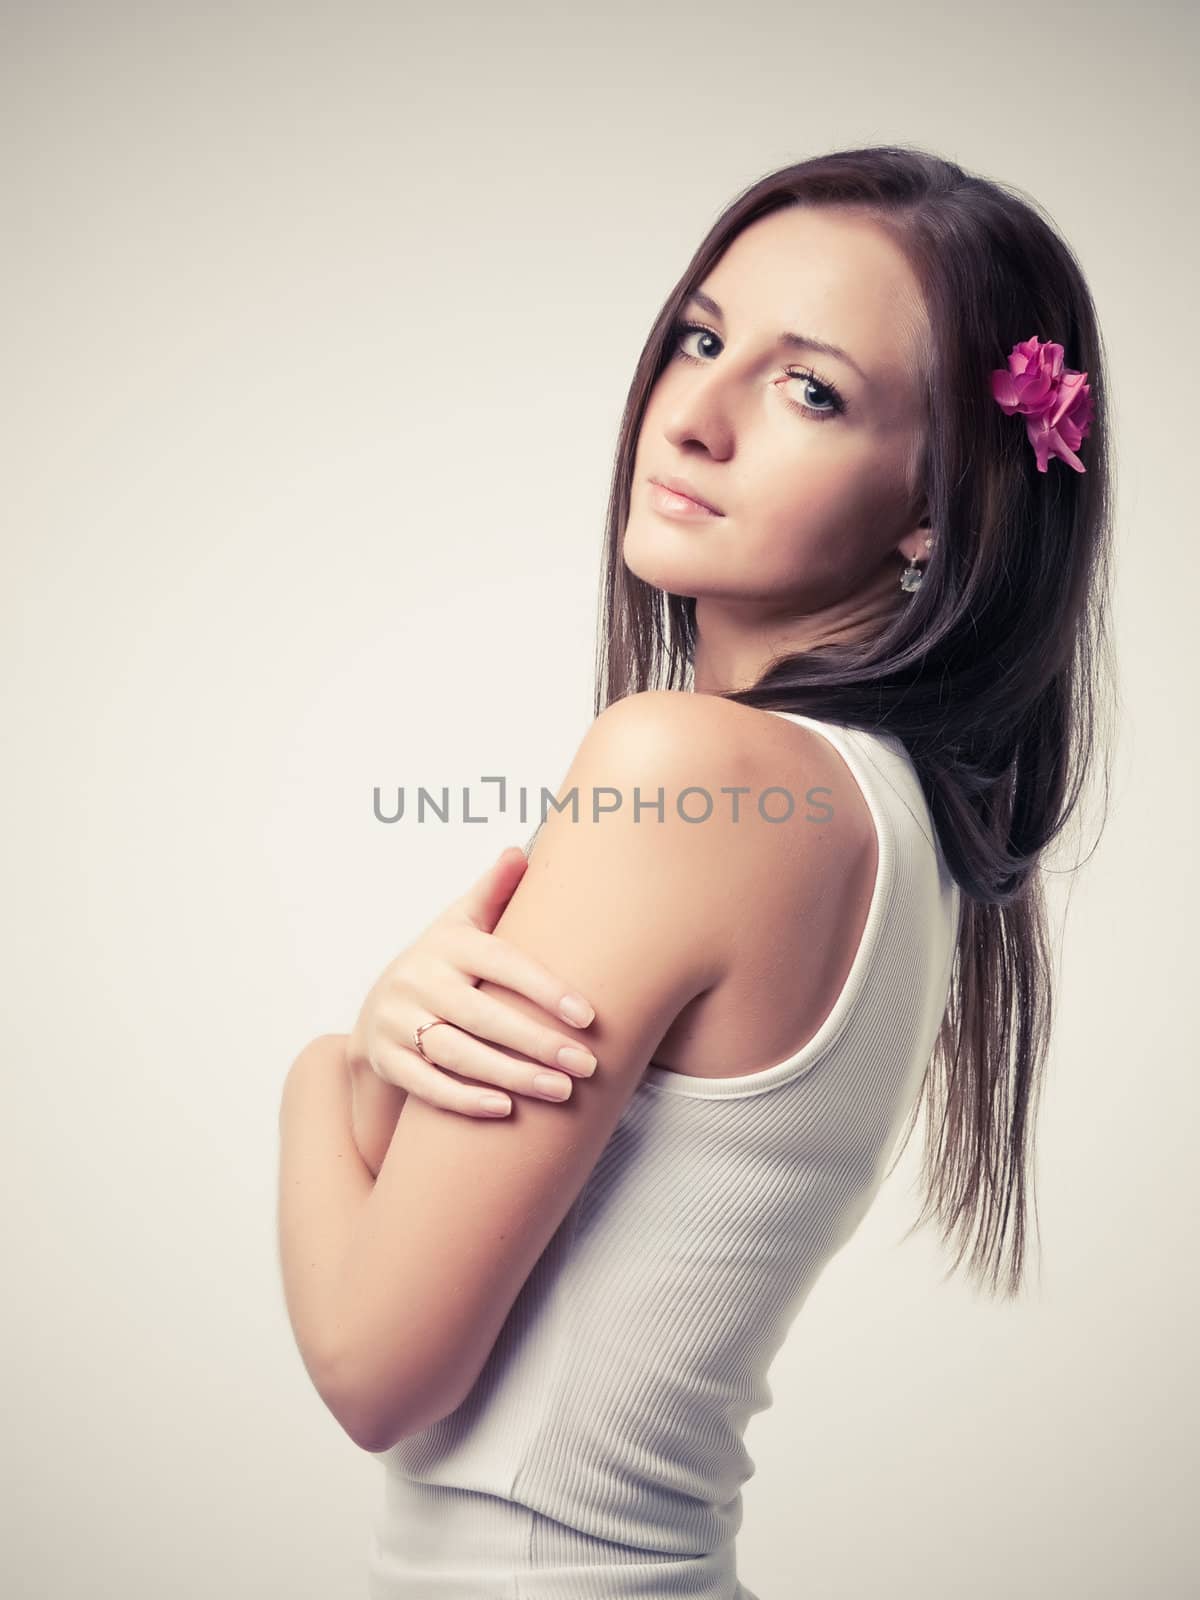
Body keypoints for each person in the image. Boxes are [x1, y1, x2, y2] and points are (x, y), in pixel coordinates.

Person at [276, 143, 1114, 1599]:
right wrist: (375, 1079)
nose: (696, 419)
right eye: (701, 339)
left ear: (938, 506)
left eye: (811, 390)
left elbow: (374, 1370)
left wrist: (317, 1071)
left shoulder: (693, 765)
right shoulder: (885, 814)